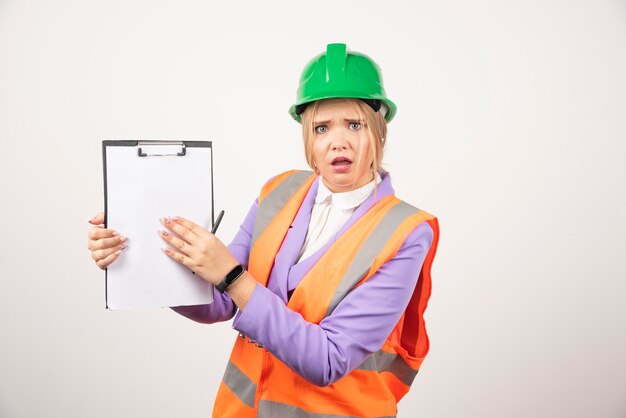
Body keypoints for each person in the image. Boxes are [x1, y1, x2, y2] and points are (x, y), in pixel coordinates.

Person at [87, 42, 440, 417]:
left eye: (354, 124)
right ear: (308, 137)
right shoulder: (279, 192)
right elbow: (219, 300)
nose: (338, 141)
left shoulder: (405, 232)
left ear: (378, 130)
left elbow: (329, 359)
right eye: (322, 127)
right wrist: (136, 249)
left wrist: (231, 276)